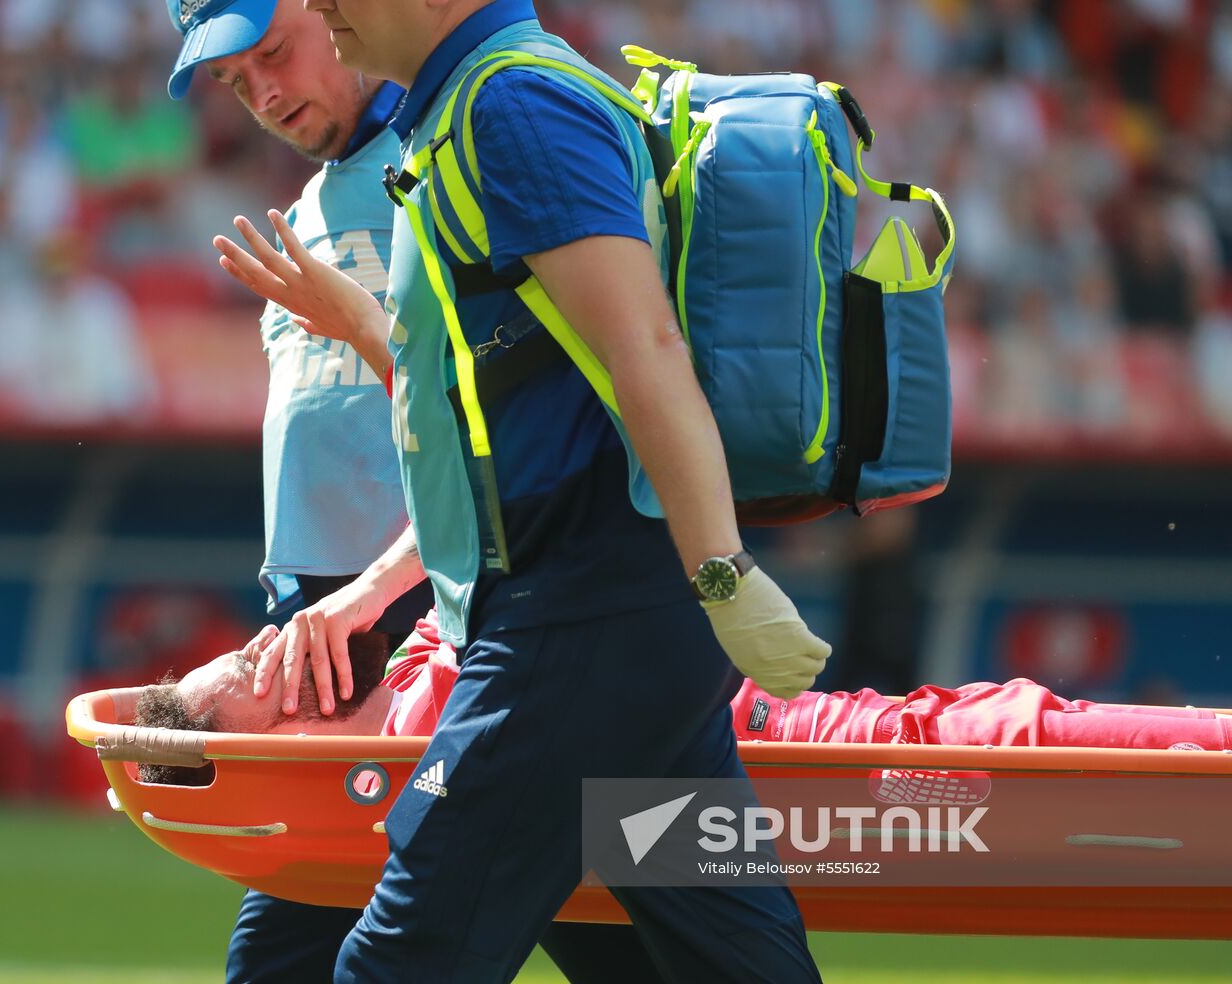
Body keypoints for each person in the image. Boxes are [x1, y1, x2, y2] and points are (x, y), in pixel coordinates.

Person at [213, 1, 830, 979]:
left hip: (576, 614)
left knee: (396, 965)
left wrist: (721, 570)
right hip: (615, 624)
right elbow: (513, 386)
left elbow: (641, 349)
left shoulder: (507, 104)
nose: (321, 10)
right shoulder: (485, 99)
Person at [160, 1, 432, 980]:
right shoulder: (314, 201)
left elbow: (493, 418)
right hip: (327, 639)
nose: (263, 94)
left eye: (272, 53)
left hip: (425, 619)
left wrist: (383, 594)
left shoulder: (453, 142)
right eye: (235, 81)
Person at [138, 615, 1232, 760]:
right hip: (805, 769)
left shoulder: (426, 667)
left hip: (773, 743)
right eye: (242, 671)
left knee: (994, 721)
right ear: (266, 726)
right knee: (1008, 733)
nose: (266, 643)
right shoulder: (429, 735)